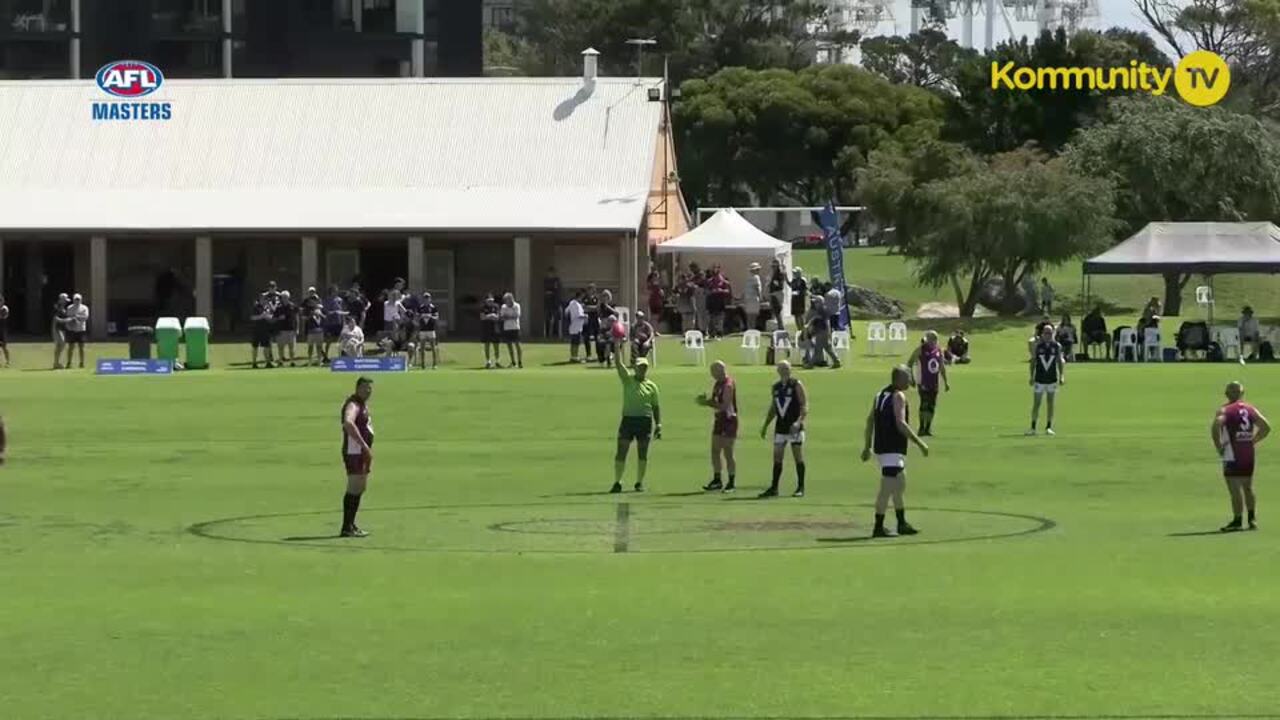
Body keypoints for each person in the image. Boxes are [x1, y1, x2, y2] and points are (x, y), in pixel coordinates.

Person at [860, 365, 929, 538]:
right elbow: (900, 424)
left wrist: (867, 446)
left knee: (899, 484)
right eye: (907, 377)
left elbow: (870, 421)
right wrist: (920, 443)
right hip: (892, 448)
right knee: (887, 488)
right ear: (899, 379)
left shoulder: (880, 395)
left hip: (883, 448)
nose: (909, 380)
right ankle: (878, 526)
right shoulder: (898, 396)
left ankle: (901, 522)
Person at [1212, 381, 1270, 532]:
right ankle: (1252, 520)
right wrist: (1253, 440)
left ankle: (1237, 520)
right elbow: (1266, 427)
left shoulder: (1225, 410)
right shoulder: (1250, 409)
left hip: (1231, 452)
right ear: (1242, 394)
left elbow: (1217, 424)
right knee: (1248, 486)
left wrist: (1219, 446)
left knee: (1234, 487)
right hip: (1247, 451)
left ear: (1228, 394)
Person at [610, 352, 661, 494]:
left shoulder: (652, 386)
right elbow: (619, 365)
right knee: (621, 451)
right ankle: (617, 482)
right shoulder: (627, 380)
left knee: (642, 453)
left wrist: (659, 425)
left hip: (644, 420)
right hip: (628, 420)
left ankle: (639, 482)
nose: (642, 369)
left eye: (644, 367)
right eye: (640, 367)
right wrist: (616, 344)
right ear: (635, 368)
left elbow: (656, 406)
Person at [758, 361, 807, 498]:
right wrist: (766, 425)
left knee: (798, 456)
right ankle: (774, 488)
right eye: (782, 368)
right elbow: (774, 408)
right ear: (778, 370)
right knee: (777, 457)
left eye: (787, 368)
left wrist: (798, 422)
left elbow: (804, 405)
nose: (784, 370)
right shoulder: (776, 387)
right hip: (780, 427)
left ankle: (800, 487)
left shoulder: (796, 384)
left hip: (794, 427)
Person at [339, 377, 375, 538]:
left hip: (360, 452)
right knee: (354, 488)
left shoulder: (361, 404)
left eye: (370, 388)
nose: (368, 391)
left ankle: (351, 525)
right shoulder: (353, 404)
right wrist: (363, 445)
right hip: (355, 452)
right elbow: (348, 422)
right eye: (365, 388)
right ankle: (347, 526)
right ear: (358, 387)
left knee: (360, 487)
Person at [698, 360, 737, 492]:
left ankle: (731, 482)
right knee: (715, 450)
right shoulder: (717, 384)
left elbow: (724, 406)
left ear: (720, 371)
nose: (712, 375)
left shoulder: (728, 385)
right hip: (719, 420)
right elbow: (715, 401)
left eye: (713, 372)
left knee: (728, 452)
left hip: (729, 420)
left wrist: (707, 404)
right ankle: (717, 479)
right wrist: (706, 400)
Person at [907, 330, 949, 437]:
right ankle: (921, 427)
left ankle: (928, 428)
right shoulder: (921, 350)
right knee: (924, 404)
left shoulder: (938, 350)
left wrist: (945, 382)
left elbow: (941, 366)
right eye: (929, 338)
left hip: (934, 382)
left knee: (932, 405)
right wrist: (911, 378)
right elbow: (910, 363)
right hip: (923, 382)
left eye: (933, 339)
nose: (931, 341)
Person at [1028, 323, 1065, 436]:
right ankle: (1033, 427)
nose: (1048, 335)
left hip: (1051, 378)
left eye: (1050, 333)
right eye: (1045, 333)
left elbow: (1060, 361)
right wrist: (1031, 376)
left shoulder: (1057, 346)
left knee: (1050, 403)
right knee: (1037, 403)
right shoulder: (1038, 346)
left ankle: (1048, 426)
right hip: (1039, 378)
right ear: (1042, 334)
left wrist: (1062, 376)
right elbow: (1033, 361)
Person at [803, 295, 838, 369]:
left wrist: (809, 323)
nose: (815, 304)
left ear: (820, 302)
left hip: (822, 331)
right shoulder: (820, 309)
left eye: (816, 302)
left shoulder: (822, 310)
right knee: (827, 348)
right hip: (821, 331)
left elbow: (817, 318)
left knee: (817, 349)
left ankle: (810, 364)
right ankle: (837, 361)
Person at [321, 286, 346, 364]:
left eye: (336, 291)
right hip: (329, 323)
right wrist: (333, 312)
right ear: (331, 291)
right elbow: (325, 311)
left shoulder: (340, 300)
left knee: (341, 339)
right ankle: (326, 356)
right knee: (329, 340)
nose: (336, 292)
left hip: (338, 322)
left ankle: (343, 354)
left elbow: (342, 311)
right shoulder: (326, 300)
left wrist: (344, 322)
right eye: (334, 291)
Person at [250, 294, 275, 369]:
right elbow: (252, 317)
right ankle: (254, 363)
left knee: (266, 347)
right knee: (255, 347)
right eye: (263, 299)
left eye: (266, 299)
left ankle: (268, 362)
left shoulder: (267, 308)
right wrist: (261, 316)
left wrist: (268, 316)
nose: (265, 300)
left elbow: (272, 316)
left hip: (266, 330)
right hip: (257, 330)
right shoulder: (256, 307)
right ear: (260, 299)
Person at [65, 293, 89, 369]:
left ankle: (82, 363)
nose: (77, 301)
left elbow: (85, 317)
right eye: (75, 299)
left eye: (78, 299)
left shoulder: (84, 308)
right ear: (73, 300)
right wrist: (74, 319)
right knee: (71, 347)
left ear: (81, 300)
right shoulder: (69, 308)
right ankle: (69, 363)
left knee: (81, 347)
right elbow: (68, 317)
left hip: (81, 329)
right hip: (72, 330)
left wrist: (77, 317)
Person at [274, 290, 298, 367]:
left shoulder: (293, 306)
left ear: (288, 297)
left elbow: (296, 318)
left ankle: (292, 361)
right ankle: (280, 361)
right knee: (280, 347)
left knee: (292, 347)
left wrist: (297, 329)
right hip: (281, 330)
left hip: (291, 329)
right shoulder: (278, 307)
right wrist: (279, 318)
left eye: (286, 297)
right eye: (283, 297)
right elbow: (274, 318)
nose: (284, 299)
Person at [416, 292, 440, 369]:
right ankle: (423, 364)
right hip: (422, 330)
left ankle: (434, 364)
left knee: (433, 347)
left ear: (430, 299)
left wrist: (430, 316)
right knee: (422, 348)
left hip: (431, 330)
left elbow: (437, 317)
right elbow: (416, 317)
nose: (426, 299)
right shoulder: (420, 307)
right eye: (425, 298)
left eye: (428, 298)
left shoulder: (433, 307)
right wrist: (422, 316)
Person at [500, 292, 523, 369]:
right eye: (505, 300)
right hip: (507, 328)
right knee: (509, 346)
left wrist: (507, 316)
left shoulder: (517, 306)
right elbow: (502, 317)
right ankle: (513, 362)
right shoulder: (503, 307)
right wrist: (509, 317)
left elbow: (516, 316)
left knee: (517, 345)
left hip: (515, 327)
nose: (506, 301)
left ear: (511, 299)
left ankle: (520, 362)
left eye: (507, 299)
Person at [595, 289, 618, 366]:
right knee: (599, 341)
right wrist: (599, 303)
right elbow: (598, 313)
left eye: (606, 296)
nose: (605, 298)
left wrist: (607, 306)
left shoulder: (612, 305)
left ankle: (608, 357)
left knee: (609, 341)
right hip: (603, 325)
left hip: (611, 326)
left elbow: (616, 313)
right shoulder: (601, 306)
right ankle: (603, 358)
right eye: (603, 296)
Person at [480, 292, 502, 369]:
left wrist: (491, 316)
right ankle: (488, 361)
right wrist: (491, 315)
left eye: (492, 300)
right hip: (486, 328)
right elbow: (482, 317)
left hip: (495, 328)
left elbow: (498, 317)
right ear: (486, 301)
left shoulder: (496, 307)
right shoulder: (483, 307)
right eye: (489, 301)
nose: (490, 302)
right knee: (487, 345)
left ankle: (497, 361)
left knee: (496, 345)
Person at [565, 290, 587, 363]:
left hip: (572, 326)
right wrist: (586, 316)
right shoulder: (577, 304)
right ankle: (575, 357)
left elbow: (566, 311)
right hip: (577, 327)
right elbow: (579, 316)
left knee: (573, 342)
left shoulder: (571, 303)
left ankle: (572, 356)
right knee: (576, 343)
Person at [581, 283, 600, 363]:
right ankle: (588, 355)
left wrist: (589, 308)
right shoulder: (584, 298)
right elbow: (583, 308)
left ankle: (598, 354)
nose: (591, 291)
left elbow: (598, 308)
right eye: (589, 289)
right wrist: (593, 308)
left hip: (595, 319)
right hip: (587, 319)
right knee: (586, 337)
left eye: (592, 289)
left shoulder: (596, 298)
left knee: (597, 337)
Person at [51, 292, 69, 369]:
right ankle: (56, 363)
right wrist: (67, 320)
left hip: (62, 329)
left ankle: (56, 362)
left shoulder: (63, 308)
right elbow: (56, 319)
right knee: (60, 344)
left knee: (61, 345)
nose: (66, 301)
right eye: (65, 300)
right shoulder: (57, 307)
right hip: (57, 328)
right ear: (61, 299)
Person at [767, 260, 787, 331]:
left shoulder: (779, 274)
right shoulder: (774, 274)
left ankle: (781, 327)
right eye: (772, 266)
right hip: (774, 293)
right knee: (775, 311)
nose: (773, 268)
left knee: (777, 310)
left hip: (777, 293)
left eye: (774, 266)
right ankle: (779, 326)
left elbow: (780, 284)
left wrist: (774, 283)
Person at [543, 267, 563, 338]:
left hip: (555, 303)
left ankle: (556, 334)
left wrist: (552, 292)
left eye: (552, 273)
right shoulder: (546, 281)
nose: (550, 274)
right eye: (549, 273)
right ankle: (547, 334)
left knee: (556, 319)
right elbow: (545, 290)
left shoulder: (556, 280)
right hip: (548, 303)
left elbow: (557, 291)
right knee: (547, 319)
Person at [744, 262, 763, 332]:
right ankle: (752, 329)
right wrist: (761, 297)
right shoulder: (756, 277)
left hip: (748, 298)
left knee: (749, 315)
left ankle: (749, 329)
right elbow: (757, 288)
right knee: (754, 316)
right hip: (754, 298)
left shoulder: (748, 278)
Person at [0, 294, 9, 367]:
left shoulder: (4, 308)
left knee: (4, 347)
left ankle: (7, 362)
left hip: (2, 330)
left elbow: (4, 316)